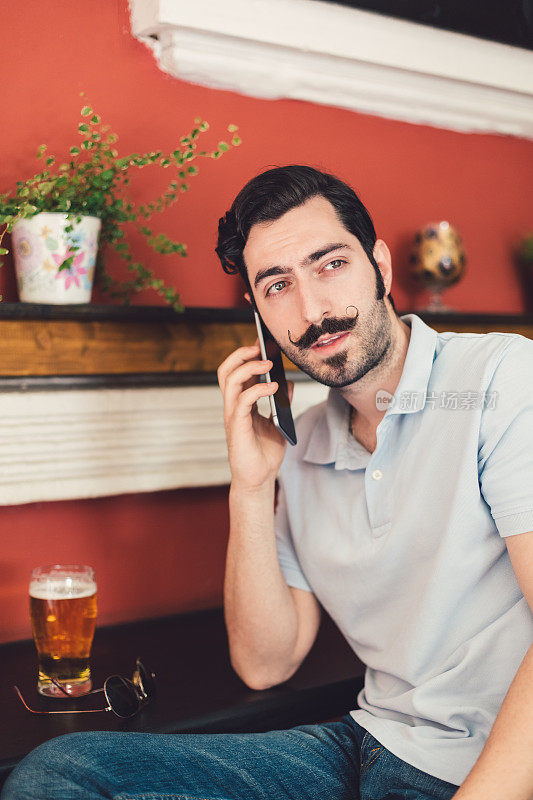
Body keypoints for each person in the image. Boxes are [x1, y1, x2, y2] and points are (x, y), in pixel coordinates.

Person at [2, 166, 532, 800]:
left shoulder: (503, 379)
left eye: (330, 264)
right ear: (258, 316)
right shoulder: (300, 443)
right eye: (277, 285)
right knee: (60, 773)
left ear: (381, 268)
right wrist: (250, 487)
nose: (311, 309)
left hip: (486, 767)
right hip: (366, 744)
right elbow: (264, 663)